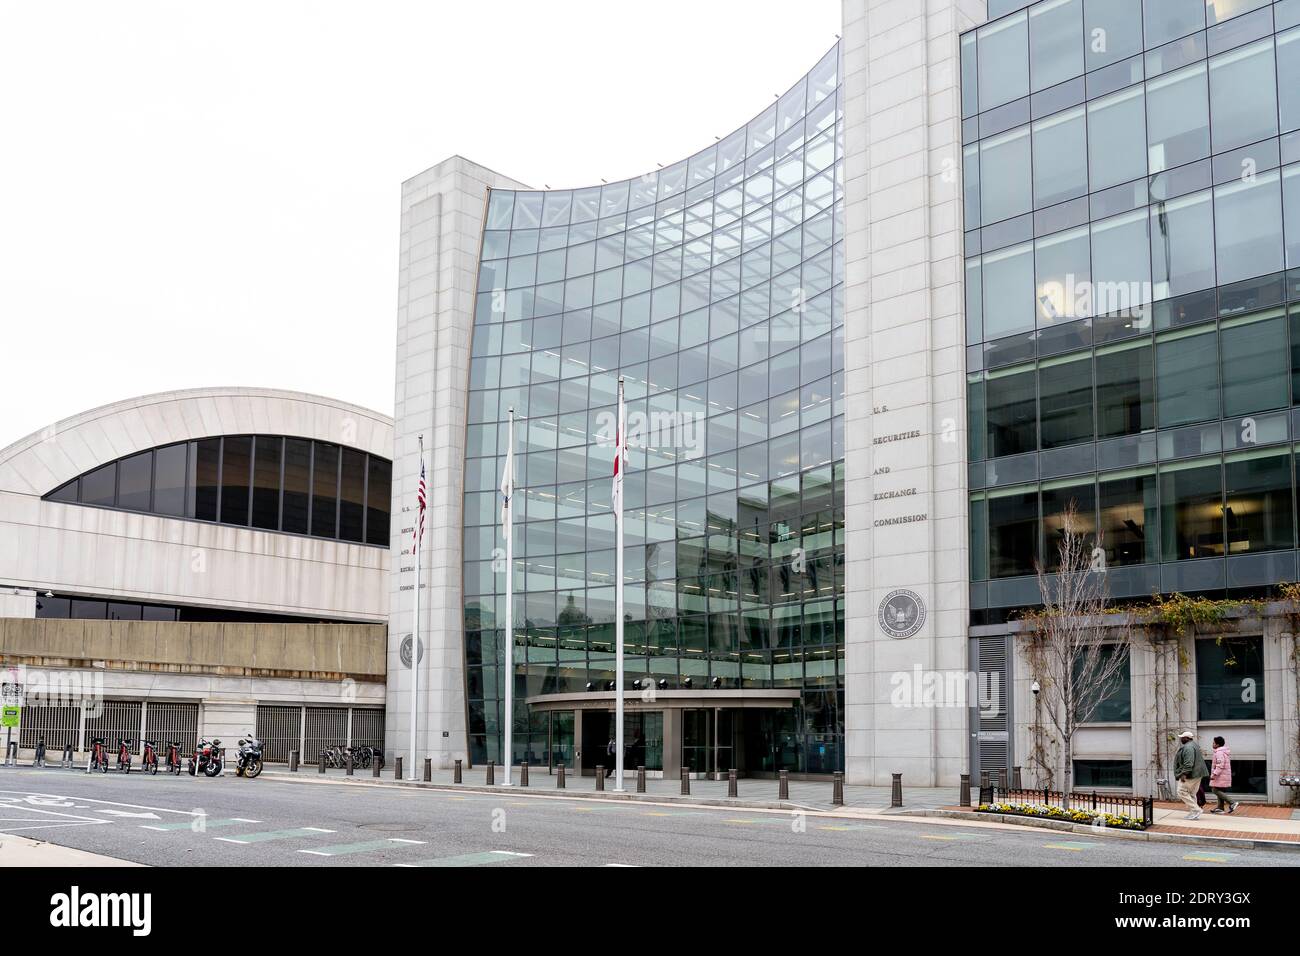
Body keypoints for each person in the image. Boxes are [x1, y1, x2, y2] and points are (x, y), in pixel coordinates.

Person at [1173, 729, 1207, 820]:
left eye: (1182, 738)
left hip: (1191, 774)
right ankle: (1194, 813)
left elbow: (1188, 763)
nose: (1181, 739)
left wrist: (1184, 774)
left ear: (1187, 738)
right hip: (1197, 773)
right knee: (1192, 793)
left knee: (1181, 791)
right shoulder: (1194, 745)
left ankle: (1196, 810)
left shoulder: (1188, 747)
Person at [1209, 736, 1239, 815]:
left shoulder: (1219, 752)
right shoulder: (1222, 751)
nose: (1212, 744)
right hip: (1223, 775)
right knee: (1219, 790)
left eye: (1213, 743)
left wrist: (1214, 774)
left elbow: (1220, 765)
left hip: (1220, 775)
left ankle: (1232, 802)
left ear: (1217, 744)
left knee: (1214, 789)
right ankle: (1220, 808)